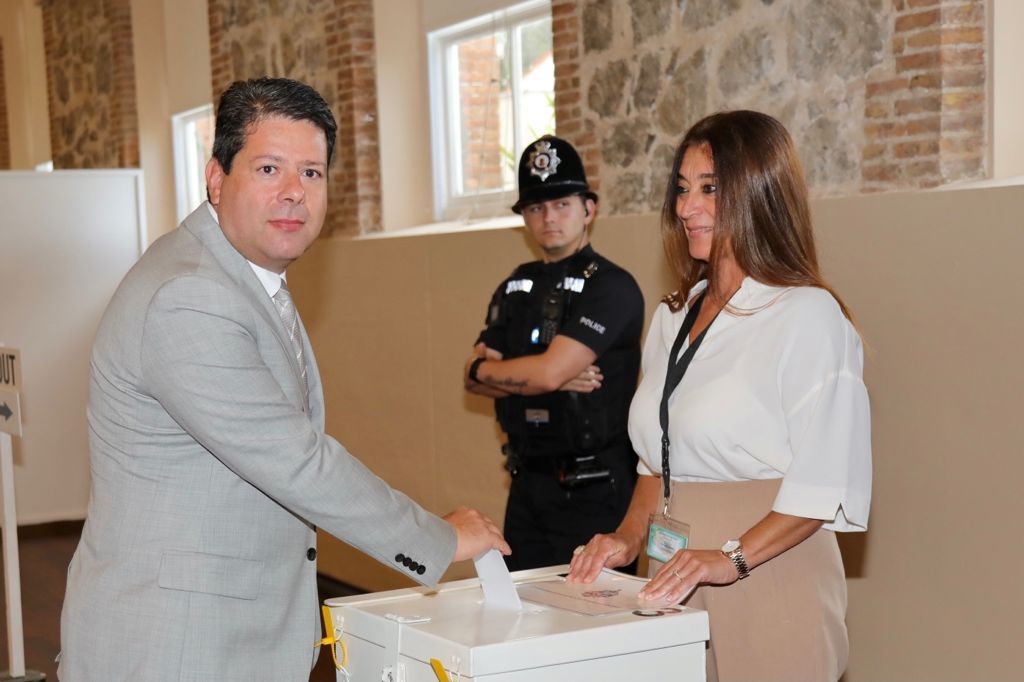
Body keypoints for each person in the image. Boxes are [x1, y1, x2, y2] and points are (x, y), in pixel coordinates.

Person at [58, 77, 508, 681]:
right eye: (269, 169)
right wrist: (437, 539)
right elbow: (295, 460)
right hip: (177, 644)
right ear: (216, 178)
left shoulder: (239, 274)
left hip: (221, 631)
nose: (294, 193)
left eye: (312, 173)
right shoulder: (189, 294)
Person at [566, 111, 872, 682]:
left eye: (710, 188)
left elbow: (824, 481)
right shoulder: (672, 316)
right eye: (682, 189)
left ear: (761, 193)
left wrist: (731, 557)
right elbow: (657, 461)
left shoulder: (806, 315)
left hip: (766, 573)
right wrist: (625, 538)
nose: (686, 207)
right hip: (671, 575)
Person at [464, 135, 644, 571]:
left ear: (589, 208)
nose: (549, 218)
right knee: (523, 621)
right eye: (536, 208)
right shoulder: (515, 285)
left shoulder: (611, 286)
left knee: (596, 627)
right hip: (528, 486)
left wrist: (505, 372)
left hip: (597, 491)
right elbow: (471, 377)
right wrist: (537, 375)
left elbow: (541, 374)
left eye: (562, 204)